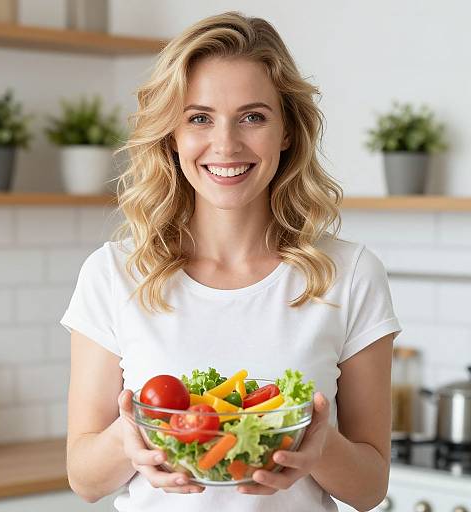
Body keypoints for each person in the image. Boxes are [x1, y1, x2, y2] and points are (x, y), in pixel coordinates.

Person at [60, 11, 402, 512]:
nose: (226, 144)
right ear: (172, 135)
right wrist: (128, 441)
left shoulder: (348, 275)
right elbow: (84, 479)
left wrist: (315, 447)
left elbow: (371, 488)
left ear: (286, 131)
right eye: (199, 117)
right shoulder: (114, 273)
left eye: (252, 117)